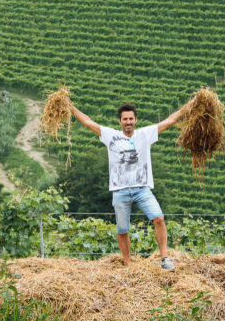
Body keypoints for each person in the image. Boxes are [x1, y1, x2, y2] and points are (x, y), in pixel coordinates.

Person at [69, 100, 185, 269]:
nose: (128, 122)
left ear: (135, 120)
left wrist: (188, 107)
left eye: (131, 119)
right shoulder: (111, 135)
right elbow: (88, 122)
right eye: (125, 119)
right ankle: (128, 264)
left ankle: (164, 259)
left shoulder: (145, 134)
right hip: (120, 191)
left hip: (142, 189)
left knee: (159, 218)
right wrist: (70, 107)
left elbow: (169, 121)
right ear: (120, 121)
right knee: (123, 230)